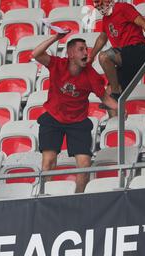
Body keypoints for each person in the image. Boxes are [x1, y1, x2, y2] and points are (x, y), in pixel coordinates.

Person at [32, 34, 119, 193]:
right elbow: (35, 54)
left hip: (78, 122)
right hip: (53, 119)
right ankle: (43, 198)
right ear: (70, 54)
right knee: (48, 162)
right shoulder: (58, 64)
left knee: (84, 165)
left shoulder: (91, 75)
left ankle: (77, 199)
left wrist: (120, 107)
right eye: (81, 50)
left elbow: (105, 98)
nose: (86, 52)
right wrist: (57, 37)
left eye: (86, 49)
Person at [89, 0, 145, 115]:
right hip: (123, 58)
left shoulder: (123, 8)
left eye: (98, 1)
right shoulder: (105, 19)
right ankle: (114, 128)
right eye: (95, 3)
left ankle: (116, 92)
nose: (97, 5)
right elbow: (102, 38)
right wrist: (91, 56)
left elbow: (143, 22)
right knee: (108, 98)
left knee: (104, 57)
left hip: (137, 51)